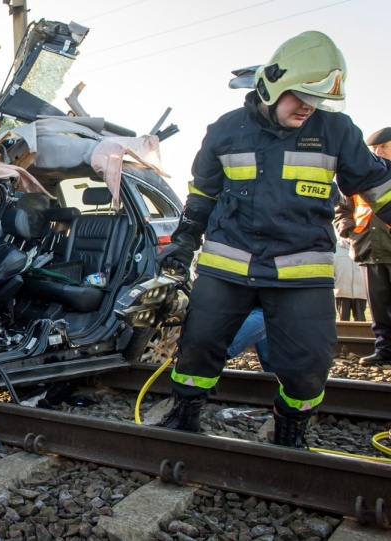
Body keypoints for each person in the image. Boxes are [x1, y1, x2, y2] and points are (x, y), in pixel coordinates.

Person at [155, 31, 391, 448]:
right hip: (227, 268)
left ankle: (290, 432)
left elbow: (379, 187)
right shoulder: (225, 131)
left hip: (301, 272)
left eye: (316, 99)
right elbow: (202, 196)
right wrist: (183, 245)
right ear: (272, 85)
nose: (308, 106)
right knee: (198, 347)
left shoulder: (337, 131)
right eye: (301, 95)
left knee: (309, 365)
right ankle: (185, 417)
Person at [334, 127, 391, 364]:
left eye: (383, 147)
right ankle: (385, 351)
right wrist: (349, 231)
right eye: (374, 148)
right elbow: (341, 210)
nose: (377, 152)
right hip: (369, 250)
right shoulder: (361, 177)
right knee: (379, 309)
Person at [332, 236, 367, 322]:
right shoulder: (335, 249)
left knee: (360, 321)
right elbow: (331, 269)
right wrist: (335, 283)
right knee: (343, 321)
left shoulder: (364, 246)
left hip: (361, 293)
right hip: (342, 292)